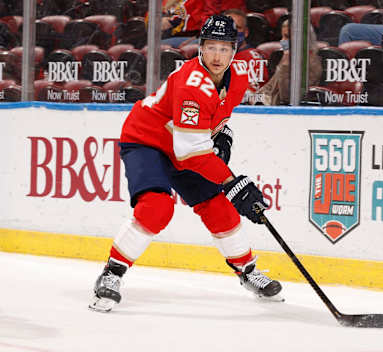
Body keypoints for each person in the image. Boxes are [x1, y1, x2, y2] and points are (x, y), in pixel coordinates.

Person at [89, 14, 283, 313]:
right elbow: (191, 152)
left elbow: (212, 121)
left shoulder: (239, 77)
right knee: (157, 206)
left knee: (220, 206)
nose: (217, 56)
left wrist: (222, 134)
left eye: (225, 48)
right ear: (200, 48)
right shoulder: (192, 84)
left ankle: (247, 271)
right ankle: (111, 274)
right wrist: (233, 183)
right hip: (147, 141)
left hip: (182, 143)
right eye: (211, 47)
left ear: (235, 50)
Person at [223, 8, 269, 103]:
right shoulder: (210, 56)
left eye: (237, 27)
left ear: (246, 32)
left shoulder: (252, 57)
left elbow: (250, 96)